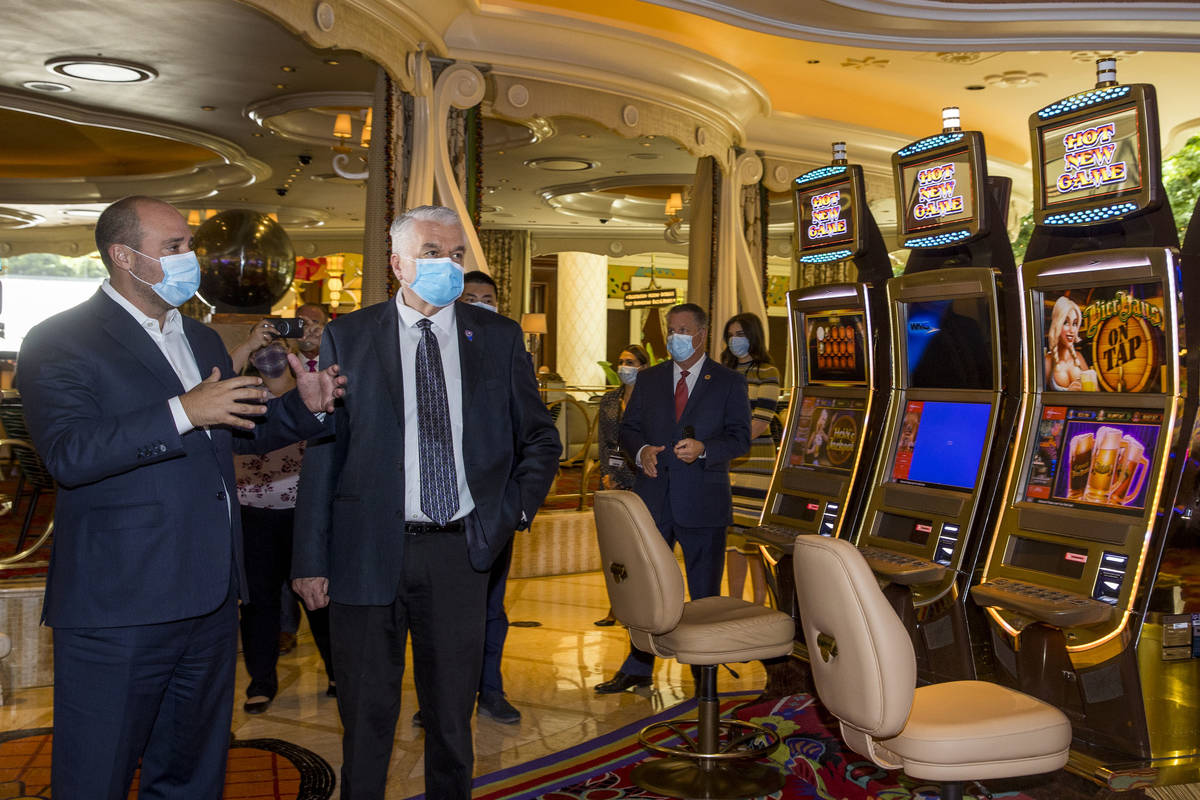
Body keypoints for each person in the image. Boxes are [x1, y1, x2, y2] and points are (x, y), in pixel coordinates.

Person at [17, 195, 345, 800]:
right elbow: (70, 453)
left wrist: (306, 407)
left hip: (212, 597)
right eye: (173, 247)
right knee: (96, 775)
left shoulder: (200, 339)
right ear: (123, 256)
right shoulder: (60, 339)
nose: (190, 259)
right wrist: (181, 412)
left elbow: (240, 430)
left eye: (189, 246)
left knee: (193, 772)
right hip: (121, 602)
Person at [292, 205, 560, 800]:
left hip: (459, 553)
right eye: (434, 253)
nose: (449, 266)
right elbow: (323, 452)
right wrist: (309, 558)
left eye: (457, 255)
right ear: (398, 263)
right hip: (364, 553)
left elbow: (539, 436)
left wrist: (511, 511)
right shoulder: (350, 335)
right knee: (365, 715)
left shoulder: (496, 337)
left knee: (449, 717)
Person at [595, 303, 751, 694]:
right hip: (654, 498)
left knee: (704, 591)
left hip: (703, 500)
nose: (675, 337)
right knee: (646, 586)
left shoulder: (729, 382)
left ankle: (704, 673)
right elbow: (628, 430)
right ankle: (637, 664)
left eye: (683, 329)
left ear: (701, 334)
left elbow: (740, 438)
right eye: (671, 329)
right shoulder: (650, 380)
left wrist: (704, 449)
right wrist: (643, 448)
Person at [413, 267, 522, 727]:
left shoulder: (507, 352)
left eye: (488, 297)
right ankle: (436, 700)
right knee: (434, 619)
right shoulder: (432, 353)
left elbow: (531, 434)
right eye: (470, 297)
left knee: (491, 609)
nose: (479, 304)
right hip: (438, 511)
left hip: (491, 509)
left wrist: (518, 502)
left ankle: (490, 690)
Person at [234, 334, 337, 715]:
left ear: (292, 354)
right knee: (258, 603)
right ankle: (261, 681)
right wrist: (246, 343)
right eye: (263, 350)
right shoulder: (242, 394)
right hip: (254, 515)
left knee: (318, 599)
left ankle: (336, 671)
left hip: (302, 515)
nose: (271, 356)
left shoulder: (310, 395)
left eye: (278, 348)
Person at [720, 313, 780, 605]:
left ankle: (758, 604)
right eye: (731, 334)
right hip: (729, 463)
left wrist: (726, 444)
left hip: (756, 461)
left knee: (754, 536)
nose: (735, 340)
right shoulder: (724, 372)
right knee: (732, 536)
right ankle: (733, 602)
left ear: (753, 335)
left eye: (740, 333)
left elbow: (761, 420)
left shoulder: (767, 371)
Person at [593, 343, 650, 627]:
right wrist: (608, 475)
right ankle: (615, 607)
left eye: (630, 362)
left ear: (643, 367)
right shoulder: (610, 400)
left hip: (643, 480)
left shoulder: (652, 400)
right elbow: (605, 442)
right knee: (615, 549)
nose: (623, 366)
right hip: (614, 479)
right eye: (621, 361)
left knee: (638, 550)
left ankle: (640, 608)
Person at [1044, 294, 1090, 391]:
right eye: (1066, 323)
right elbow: (1038, 398)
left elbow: (1095, 393)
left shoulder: (1078, 356)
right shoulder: (1048, 361)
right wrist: (1069, 394)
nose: (1072, 330)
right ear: (1057, 324)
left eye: (1074, 323)